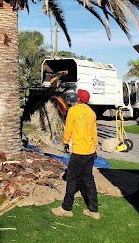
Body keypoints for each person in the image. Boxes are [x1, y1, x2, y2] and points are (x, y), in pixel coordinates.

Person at [51, 88, 100, 220]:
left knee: (72, 179)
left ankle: (66, 208)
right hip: (90, 151)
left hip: (79, 151)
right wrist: (94, 145)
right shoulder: (92, 113)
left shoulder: (73, 110)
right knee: (89, 179)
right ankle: (94, 210)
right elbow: (94, 133)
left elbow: (68, 129)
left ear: (78, 98)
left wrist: (65, 141)